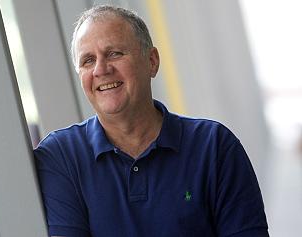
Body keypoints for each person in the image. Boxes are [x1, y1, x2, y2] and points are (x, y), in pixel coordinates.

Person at [34, 5, 269, 237]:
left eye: (114, 53)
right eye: (87, 60)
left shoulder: (214, 146)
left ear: (152, 61)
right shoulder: (60, 157)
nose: (101, 69)